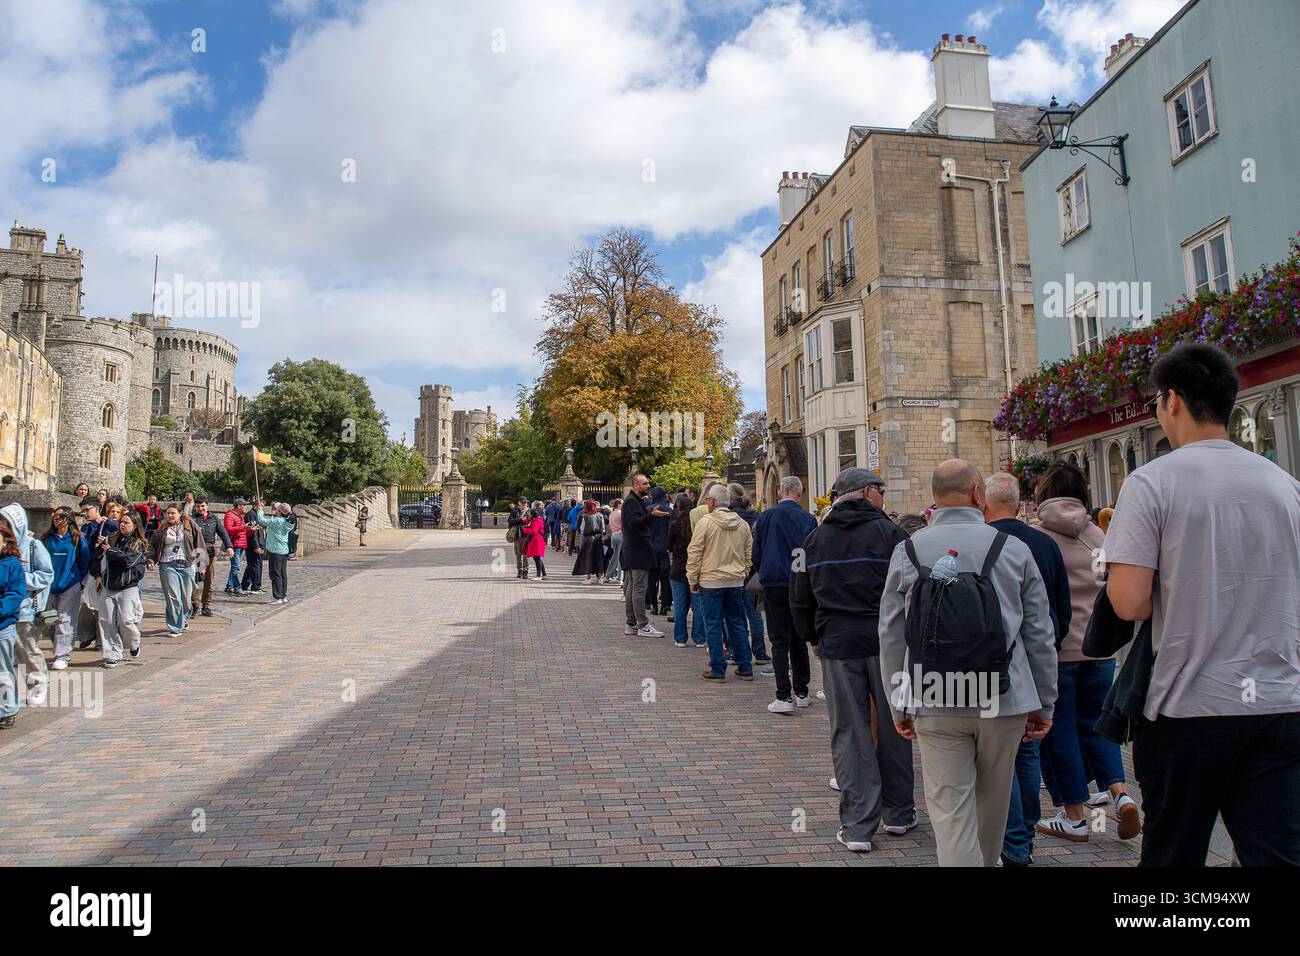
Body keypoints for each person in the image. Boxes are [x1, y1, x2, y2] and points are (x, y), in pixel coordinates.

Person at [1105, 343, 1300, 866]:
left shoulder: (1151, 482)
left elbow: (1129, 604)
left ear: (1172, 400)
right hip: (1278, 700)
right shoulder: (1285, 485)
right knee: (1278, 853)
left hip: (1190, 704)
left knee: (1174, 858)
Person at [878, 459, 1057, 867]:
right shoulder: (1014, 549)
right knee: (992, 809)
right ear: (978, 493)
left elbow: (890, 634)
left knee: (950, 812)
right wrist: (1044, 701)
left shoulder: (908, 549)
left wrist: (898, 701)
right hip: (1002, 696)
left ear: (934, 499)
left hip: (933, 693)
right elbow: (1039, 634)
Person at [790, 468, 914, 853]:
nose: (883, 495)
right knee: (897, 724)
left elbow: (799, 594)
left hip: (839, 642)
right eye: (880, 489)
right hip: (887, 642)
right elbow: (913, 590)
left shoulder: (813, 540)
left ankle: (859, 824)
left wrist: (811, 635)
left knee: (850, 729)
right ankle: (898, 812)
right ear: (864, 492)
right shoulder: (894, 536)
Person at [1032, 461, 1141, 844]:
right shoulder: (1098, 534)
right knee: (1097, 726)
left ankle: (1074, 816)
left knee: (1058, 731)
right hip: (1098, 648)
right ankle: (1121, 794)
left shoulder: (1038, 539)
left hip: (1058, 651)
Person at [982, 472, 1071, 867]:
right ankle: (1026, 831)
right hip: (1038, 659)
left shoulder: (986, 545)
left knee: (1005, 758)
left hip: (997, 668)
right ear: (1019, 504)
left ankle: (1016, 842)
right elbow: (1059, 611)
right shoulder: (1043, 543)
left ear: (984, 504)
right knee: (1027, 750)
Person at [753, 476, 818, 708]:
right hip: (798, 579)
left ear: (780, 493)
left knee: (779, 640)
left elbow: (756, 550)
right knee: (799, 638)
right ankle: (802, 691)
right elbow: (812, 552)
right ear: (799, 494)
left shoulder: (766, 516)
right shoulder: (808, 519)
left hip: (774, 582)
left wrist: (764, 570)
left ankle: (783, 695)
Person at [686, 484, 753, 682]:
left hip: (711, 580)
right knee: (737, 623)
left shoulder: (706, 523)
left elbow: (695, 552)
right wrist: (743, 572)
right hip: (735, 580)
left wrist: (692, 578)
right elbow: (748, 553)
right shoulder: (741, 524)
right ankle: (745, 666)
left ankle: (717, 667)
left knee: (713, 623)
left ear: (713, 502)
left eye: (708, 500)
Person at [0, 504, 54, 707]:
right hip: (4, 612)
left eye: (7, 522)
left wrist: (22, 578)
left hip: (24, 609)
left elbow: (47, 575)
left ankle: (38, 684)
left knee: (27, 650)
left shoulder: (33, 545)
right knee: (7, 655)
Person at [94, 510, 147, 667]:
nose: (122, 525)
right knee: (106, 621)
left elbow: (128, 561)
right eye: (121, 522)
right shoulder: (112, 538)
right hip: (109, 585)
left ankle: (134, 641)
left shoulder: (139, 543)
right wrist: (98, 572)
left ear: (135, 525)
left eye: (126, 522)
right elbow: (96, 556)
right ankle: (112, 655)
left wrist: (110, 550)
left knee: (126, 621)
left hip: (127, 587)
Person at [40, 506, 89, 671]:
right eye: (55, 516)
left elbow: (84, 561)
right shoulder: (46, 539)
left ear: (68, 519)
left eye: (60, 516)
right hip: (50, 585)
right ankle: (58, 647)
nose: (56, 519)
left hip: (70, 584)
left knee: (65, 619)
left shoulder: (77, 539)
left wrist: (80, 582)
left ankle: (62, 655)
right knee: (52, 620)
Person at [728, 483, 769, 664]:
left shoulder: (728, 517)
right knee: (754, 614)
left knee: (735, 616)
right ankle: (759, 653)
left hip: (732, 571)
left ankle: (737, 652)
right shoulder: (755, 516)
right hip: (752, 571)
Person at [621, 475, 664, 638]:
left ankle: (631, 623)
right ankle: (643, 625)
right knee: (639, 589)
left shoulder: (634, 500)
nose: (648, 485)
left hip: (635, 550)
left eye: (648, 483)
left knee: (633, 588)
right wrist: (652, 515)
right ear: (636, 485)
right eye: (645, 483)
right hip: (637, 551)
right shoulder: (632, 501)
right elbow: (634, 523)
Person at [149, 505, 201, 635]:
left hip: (186, 564)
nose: (170, 516)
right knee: (173, 598)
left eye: (173, 513)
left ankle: (184, 618)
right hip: (167, 565)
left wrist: (201, 566)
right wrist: (151, 560)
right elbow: (153, 546)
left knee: (186, 599)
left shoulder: (190, 526)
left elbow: (199, 545)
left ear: (180, 513)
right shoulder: (162, 529)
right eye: (168, 513)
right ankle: (175, 626)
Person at [666, 494, 705, 648]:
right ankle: (699, 638)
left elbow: (668, 546)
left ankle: (680, 638)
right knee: (698, 605)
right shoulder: (699, 524)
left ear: (679, 508)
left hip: (678, 567)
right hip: (695, 567)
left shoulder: (674, 524)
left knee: (680, 606)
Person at [0, 517, 28, 729]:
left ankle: (7, 709)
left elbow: (15, 595)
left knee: (3, 670)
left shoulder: (11, 565)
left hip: (3, 625)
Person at [190, 499, 234, 617]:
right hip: (197, 552)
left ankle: (206, 606)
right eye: (198, 506)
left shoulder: (214, 519)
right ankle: (194, 606)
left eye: (203, 506)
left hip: (210, 552)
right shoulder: (191, 519)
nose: (200, 508)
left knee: (209, 580)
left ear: (207, 506)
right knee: (194, 580)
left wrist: (229, 546)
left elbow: (223, 533)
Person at [75, 497, 106, 651]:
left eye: (87, 510)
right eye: (83, 511)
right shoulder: (86, 527)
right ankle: (88, 635)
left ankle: (100, 638)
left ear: (97, 509)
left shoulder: (104, 526)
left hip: (98, 570)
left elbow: (100, 553)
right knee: (86, 604)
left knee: (99, 606)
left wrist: (99, 573)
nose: (85, 513)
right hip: (85, 569)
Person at [257, 502, 295, 604]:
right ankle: (283, 595)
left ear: (280, 512)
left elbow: (262, 520)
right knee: (282, 574)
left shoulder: (277, 521)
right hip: (284, 551)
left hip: (275, 551)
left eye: (277, 509)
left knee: (275, 574)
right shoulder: (288, 522)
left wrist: (260, 509)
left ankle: (277, 596)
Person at [645, 486, 672, 615]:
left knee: (652, 579)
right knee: (665, 579)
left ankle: (653, 605)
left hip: (651, 548)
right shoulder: (669, 511)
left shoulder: (650, 509)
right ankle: (665, 606)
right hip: (664, 548)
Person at [571, 499, 606, 583]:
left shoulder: (585, 516)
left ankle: (589, 578)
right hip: (598, 538)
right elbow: (603, 528)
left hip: (588, 538)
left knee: (588, 558)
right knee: (599, 557)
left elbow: (582, 529)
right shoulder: (600, 515)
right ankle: (600, 578)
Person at [224, 498, 249, 595]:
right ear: (239, 506)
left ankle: (229, 586)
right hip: (234, 544)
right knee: (236, 567)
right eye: (244, 505)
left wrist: (249, 528)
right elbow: (228, 529)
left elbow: (242, 530)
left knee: (235, 566)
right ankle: (237, 588)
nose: (246, 507)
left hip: (241, 543)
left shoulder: (240, 516)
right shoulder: (230, 515)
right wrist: (243, 527)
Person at [522, 504, 547, 579]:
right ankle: (544, 574)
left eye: (529, 514)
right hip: (536, 540)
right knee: (537, 558)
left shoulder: (537, 521)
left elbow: (534, 531)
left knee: (537, 558)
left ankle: (539, 576)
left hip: (537, 541)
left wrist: (525, 530)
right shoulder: (535, 520)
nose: (528, 516)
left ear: (533, 515)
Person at [507, 497, 529, 579]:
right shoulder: (514, 511)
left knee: (526, 555)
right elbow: (510, 521)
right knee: (518, 554)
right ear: (519, 503)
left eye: (525, 502)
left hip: (526, 536)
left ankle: (525, 571)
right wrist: (520, 520)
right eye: (523, 502)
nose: (524, 504)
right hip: (517, 536)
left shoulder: (529, 511)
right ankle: (519, 571)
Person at [604, 499, 623, 584]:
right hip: (620, 535)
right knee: (621, 557)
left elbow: (610, 527)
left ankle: (608, 575)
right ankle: (619, 577)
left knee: (614, 557)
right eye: (622, 504)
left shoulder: (611, 514)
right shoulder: (620, 513)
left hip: (613, 535)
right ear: (618, 504)